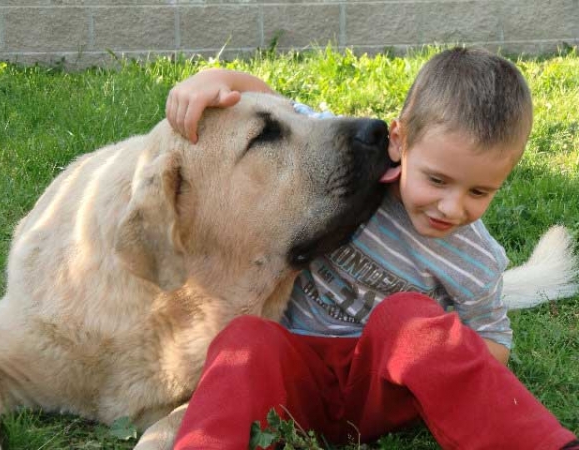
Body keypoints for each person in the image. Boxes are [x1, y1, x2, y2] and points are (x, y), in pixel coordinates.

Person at [165, 48, 579, 449]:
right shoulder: (355, 166)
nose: (451, 207)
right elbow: (271, 103)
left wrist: (442, 369)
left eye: (479, 191)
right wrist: (212, 80)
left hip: (380, 390)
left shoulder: (476, 259)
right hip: (295, 371)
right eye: (436, 180)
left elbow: (492, 340)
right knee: (245, 338)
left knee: (406, 315)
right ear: (398, 141)